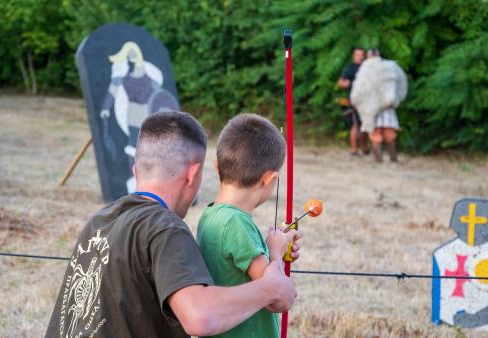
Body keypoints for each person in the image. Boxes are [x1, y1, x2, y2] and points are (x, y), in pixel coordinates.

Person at [45, 111, 299, 338]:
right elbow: (200, 318)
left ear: (136, 170)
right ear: (192, 174)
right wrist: (269, 287)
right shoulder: (163, 228)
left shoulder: (99, 221)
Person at [196, 114, 301, 338]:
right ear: (268, 179)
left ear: (217, 167)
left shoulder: (211, 215)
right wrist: (275, 252)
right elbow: (275, 295)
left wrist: (276, 251)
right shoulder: (236, 223)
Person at [350, 48, 407, 162]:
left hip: (371, 108)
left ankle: (379, 159)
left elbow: (359, 90)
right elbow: (402, 85)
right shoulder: (391, 67)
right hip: (388, 107)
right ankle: (393, 158)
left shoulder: (366, 68)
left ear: (369, 56)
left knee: (376, 134)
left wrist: (358, 103)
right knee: (389, 133)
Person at [337, 47, 368, 156]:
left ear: (364, 56)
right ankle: (354, 149)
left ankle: (364, 147)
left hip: (367, 101)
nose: (359, 57)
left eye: (360, 55)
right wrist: (353, 84)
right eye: (356, 55)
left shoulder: (368, 67)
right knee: (355, 125)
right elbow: (341, 82)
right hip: (354, 101)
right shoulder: (350, 68)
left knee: (365, 124)